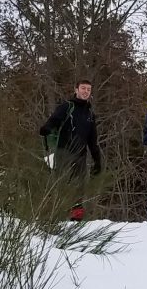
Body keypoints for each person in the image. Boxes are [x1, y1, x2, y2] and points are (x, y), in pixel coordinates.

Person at [38, 80, 102, 220]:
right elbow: (54, 119)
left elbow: (92, 140)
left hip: (80, 155)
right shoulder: (67, 106)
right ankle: (55, 216)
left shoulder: (90, 113)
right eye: (83, 88)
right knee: (62, 185)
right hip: (64, 152)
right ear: (76, 89)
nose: (86, 91)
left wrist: (97, 160)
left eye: (88, 89)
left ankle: (76, 220)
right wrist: (46, 128)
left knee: (79, 188)